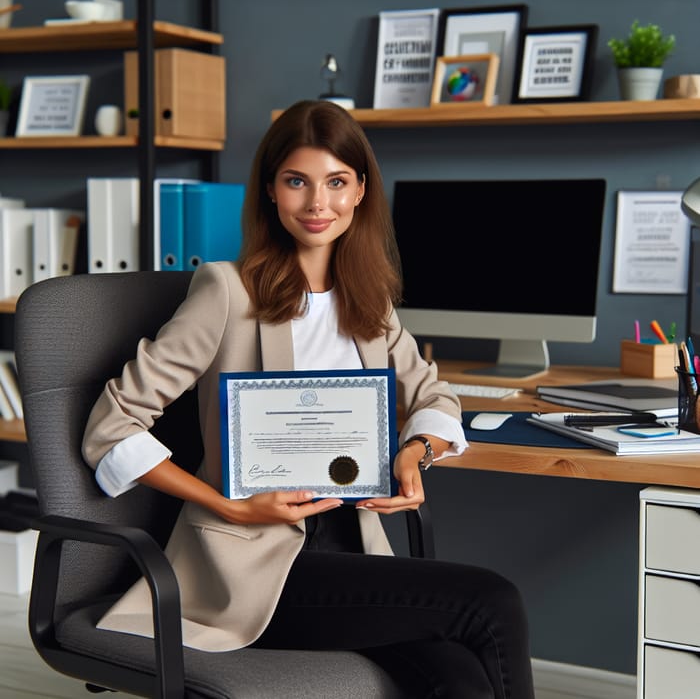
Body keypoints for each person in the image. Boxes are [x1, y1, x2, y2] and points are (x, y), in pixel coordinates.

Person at [82, 99, 535, 698]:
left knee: (461, 678)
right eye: (297, 181)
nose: (318, 203)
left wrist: (414, 453)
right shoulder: (227, 291)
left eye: (336, 182)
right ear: (271, 189)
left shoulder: (369, 300)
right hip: (256, 568)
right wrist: (231, 505)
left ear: (361, 191)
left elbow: (433, 393)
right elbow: (111, 426)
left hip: (354, 550)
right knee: (490, 601)